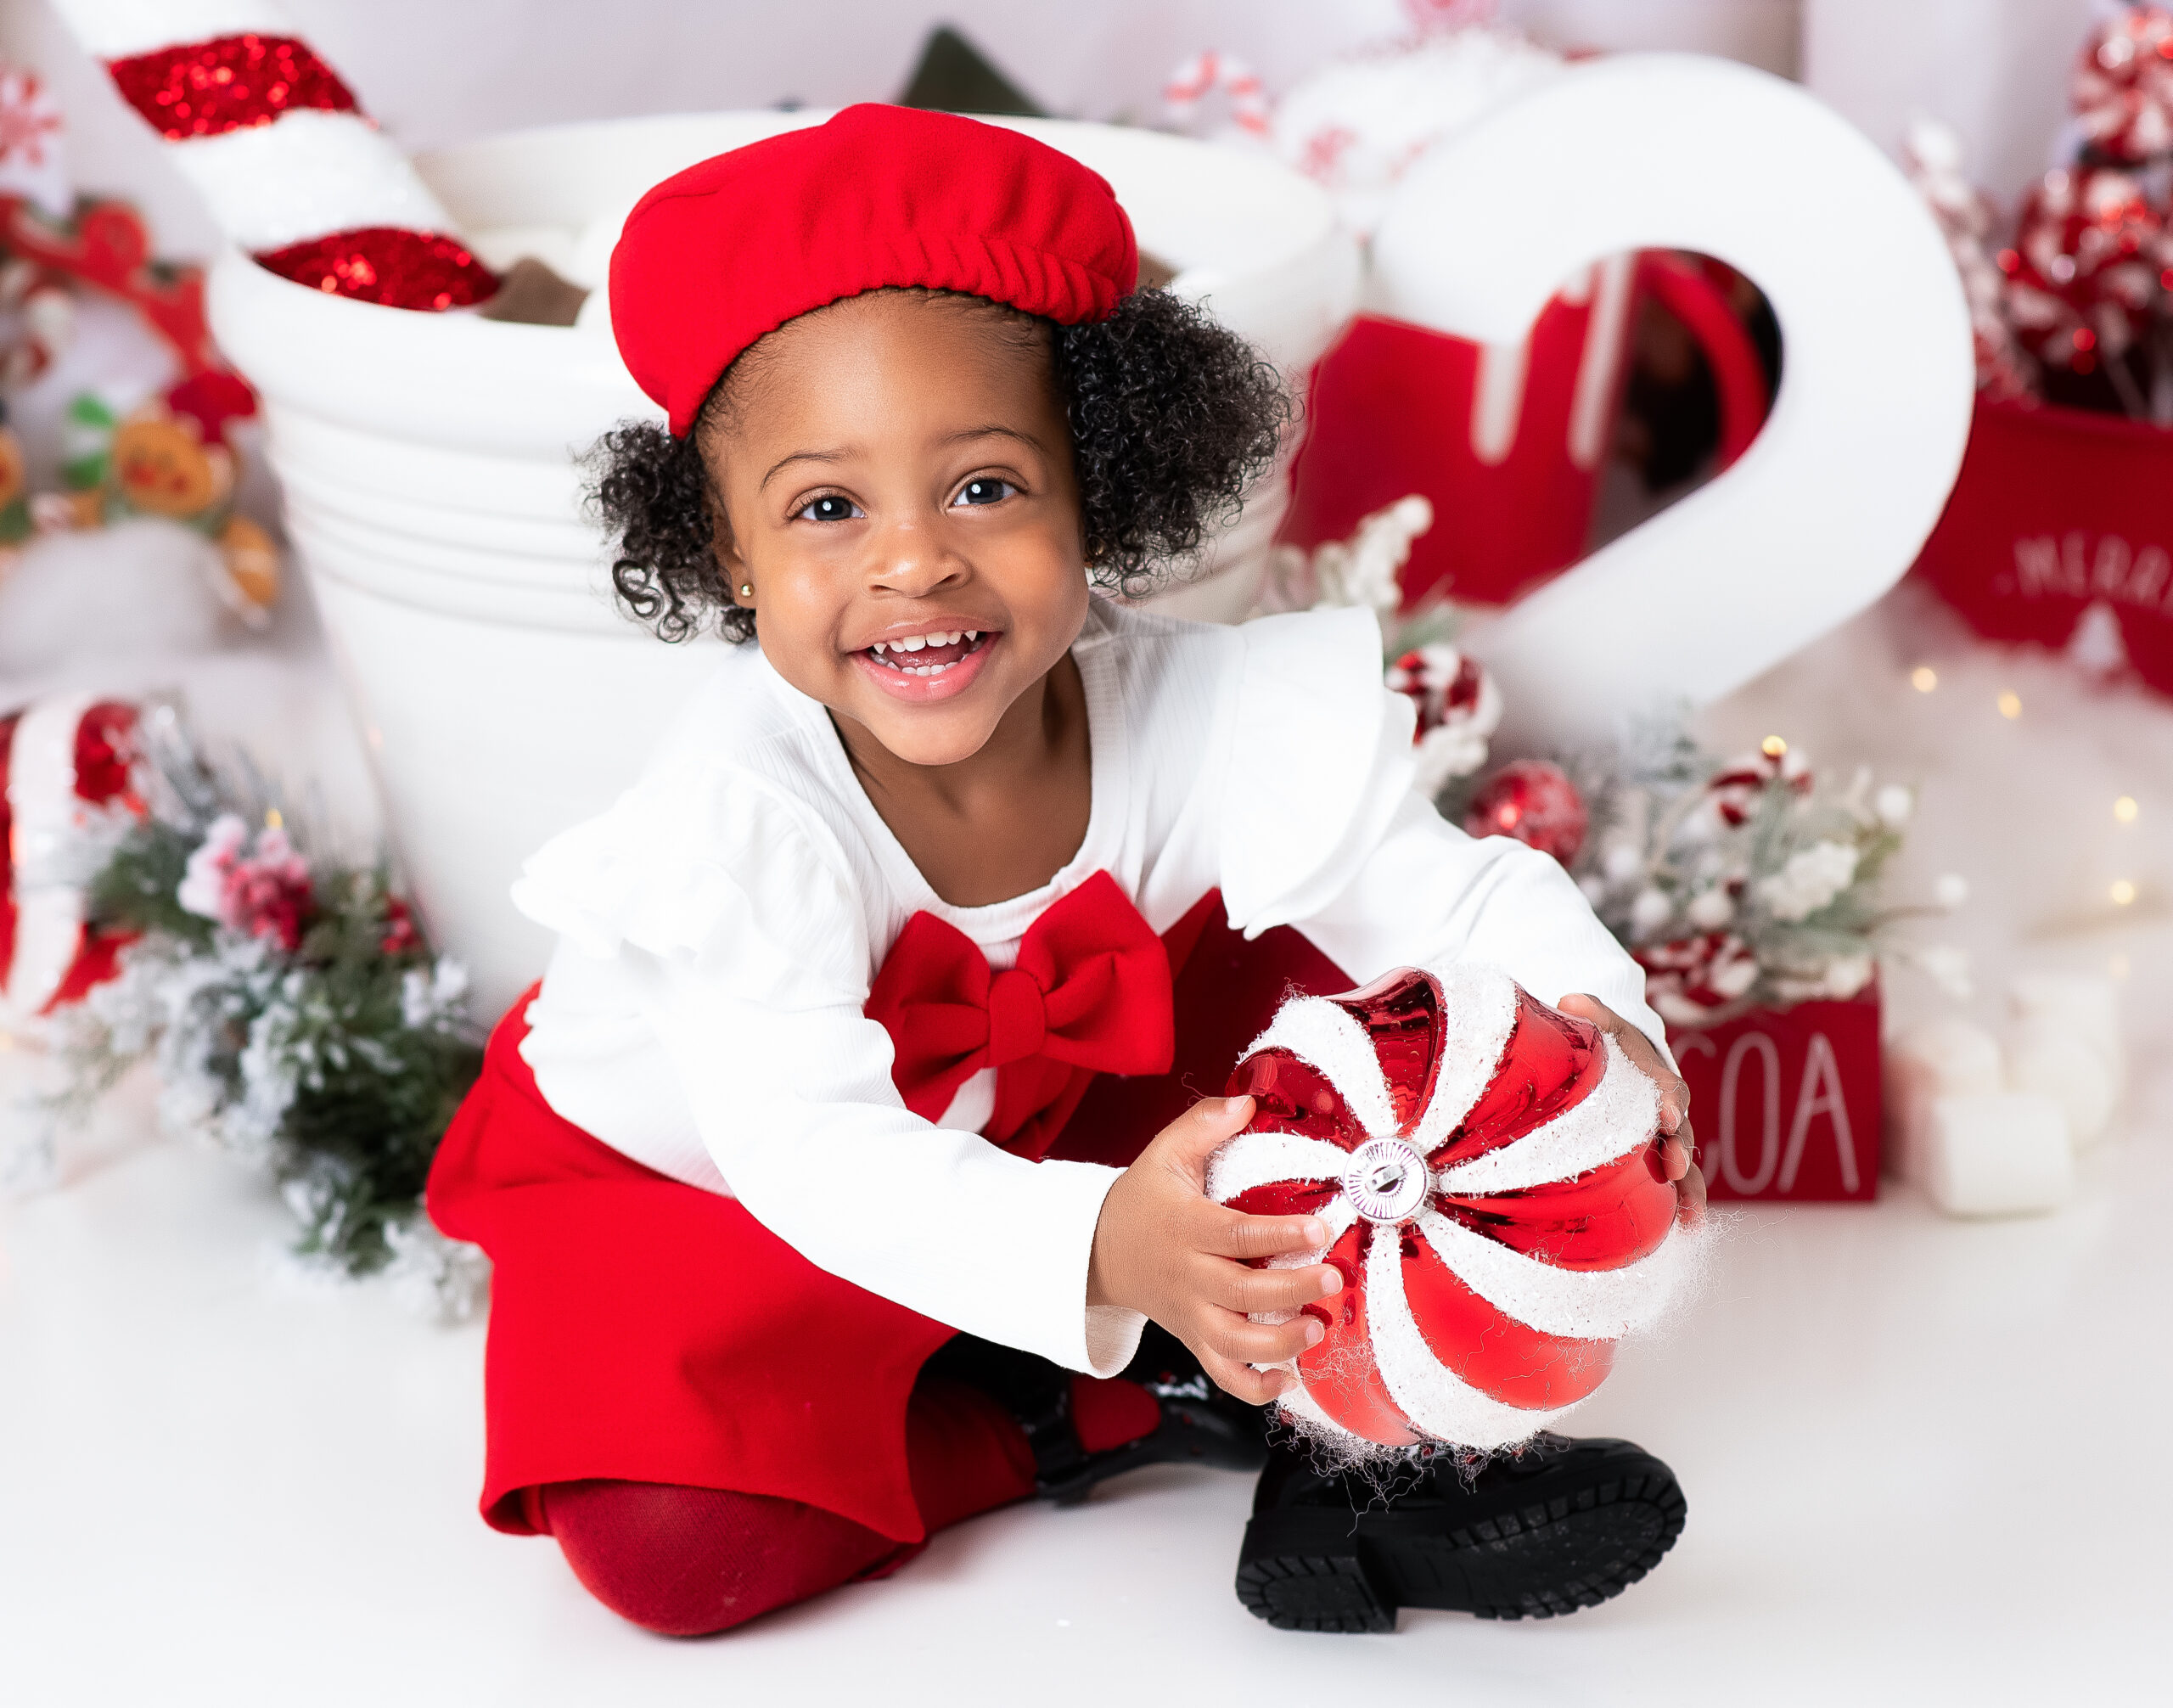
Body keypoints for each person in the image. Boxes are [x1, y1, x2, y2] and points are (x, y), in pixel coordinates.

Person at [427, 103, 1705, 1640]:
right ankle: (1121, 1399)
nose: (915, 562)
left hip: (1051, 1125)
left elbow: (1442, 890)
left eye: (983, 487)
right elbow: (815, 1155)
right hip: (731, 1191)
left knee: (1349, 990)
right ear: (727, 551)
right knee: (672, 1551)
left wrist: (1595, 1028)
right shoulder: (740, 821)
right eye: (828, 509)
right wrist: (1106, 1244)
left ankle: (1352, 1399)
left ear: (1096, 490)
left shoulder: (1195, 709)